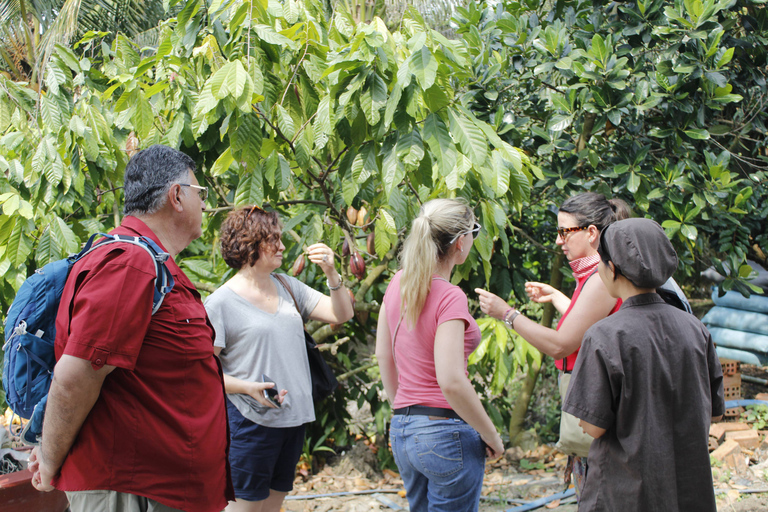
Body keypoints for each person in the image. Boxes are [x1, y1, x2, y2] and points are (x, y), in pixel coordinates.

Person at [28, 145, 234, 512]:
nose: (204, 204)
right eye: (199, 193)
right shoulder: (130, 265)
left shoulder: (149, 262)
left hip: (162, 488)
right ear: (176, 196)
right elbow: (77, 376)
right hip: (131, 491)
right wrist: (48, 456)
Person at [563, 218, 724, 511]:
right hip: (689, 489)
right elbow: (712, 413)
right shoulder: (695, 329)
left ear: (612, 270)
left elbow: (593, 427)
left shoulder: (604, 335)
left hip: (626, 491)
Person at [475, 192, 629, 493]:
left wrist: (506, 313)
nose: (559, 241)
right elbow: (590, 324)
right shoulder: (596, 274)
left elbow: (561, 345)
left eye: (564, 232)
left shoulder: (600, 279)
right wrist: (558, 297)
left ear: (591, 233)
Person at [204, 205, 354, 512]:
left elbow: (342, 313)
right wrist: (247, 387)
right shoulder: (220, 302)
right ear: (251, 244)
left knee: (272, 506)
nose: (283, 246)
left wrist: (331, 272)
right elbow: (205, 372)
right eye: (273, 239)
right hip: (249, 421)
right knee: (243, 508)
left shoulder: (288, 285)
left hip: (292, 419)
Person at [375, 198, 504, 512]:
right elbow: (451, 381)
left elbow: (383, 355)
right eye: (474, 231)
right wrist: (491, 435)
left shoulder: (397, 284)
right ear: (461, 242)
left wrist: (403, 413)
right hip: (444, 431)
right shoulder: (450, 296)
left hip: (405, 430)